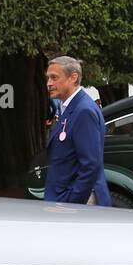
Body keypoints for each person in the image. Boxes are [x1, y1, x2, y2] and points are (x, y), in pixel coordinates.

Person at [43, 55, 110, 206]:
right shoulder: (69, 107)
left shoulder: (83, 111)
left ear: (73, 77)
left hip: (75, 203)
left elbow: (90, 165)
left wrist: (72, 202)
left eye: (54, 78)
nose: (49, 83)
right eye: (48, 78)